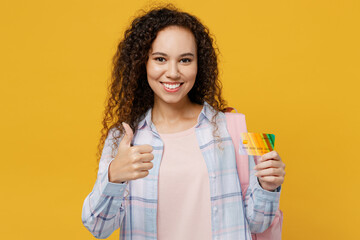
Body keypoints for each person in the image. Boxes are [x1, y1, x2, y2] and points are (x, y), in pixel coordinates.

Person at [81, 5, 285, 240]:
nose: (173, 72)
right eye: (160, 59)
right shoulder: (124, 138)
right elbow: (97, 228)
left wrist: (267, 186)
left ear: (199, 65)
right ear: (142, 63)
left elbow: (258, 223)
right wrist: (113, 176)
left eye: (185, 60)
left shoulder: (231, 128)